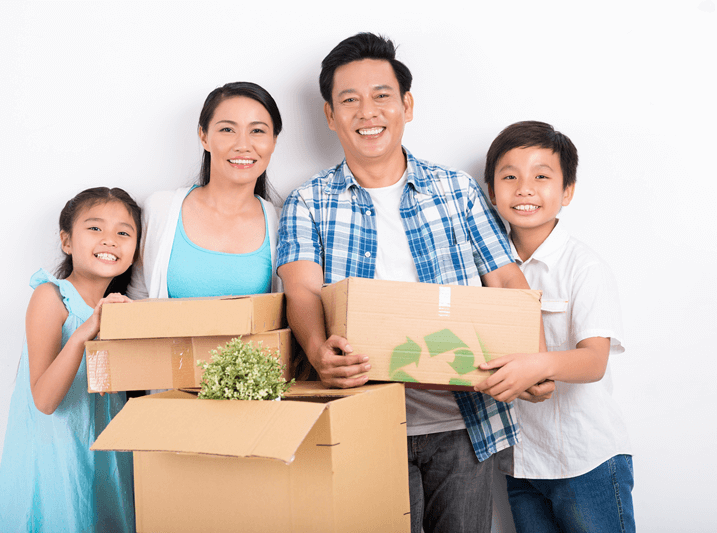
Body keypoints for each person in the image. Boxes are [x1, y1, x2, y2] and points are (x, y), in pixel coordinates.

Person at [276, 32, 552, 533]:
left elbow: (508, 279)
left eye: (381, 95)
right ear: (329, 115)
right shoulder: (308, 201)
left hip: (461, 422)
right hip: (360, 417)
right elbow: (301, 290)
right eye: (349, 100)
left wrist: (533, 359)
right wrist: (318, 353)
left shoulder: (457, 190)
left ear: (406, 104)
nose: (368, 111)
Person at [475, 121, 634, 532]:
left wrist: (537, 365)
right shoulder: (484, 270)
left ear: (567, 191)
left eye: (541, 177)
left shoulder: (585, 266)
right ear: (491, 191)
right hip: (521, 461)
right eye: (509, 176)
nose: (524, 189)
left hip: (587, 459)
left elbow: (594, 362)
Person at [0, 187, 140, 532]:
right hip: (57, 462)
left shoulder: (123, 311)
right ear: (67, 241)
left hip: (106, 459)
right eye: (95, 228)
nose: (110, 240)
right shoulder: (51, 297)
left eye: (124, 232)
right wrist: (88, 328)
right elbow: (44, 400)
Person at [128, 81, 283, 300]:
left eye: (257, 131)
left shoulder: (283, 222)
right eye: (227, 129)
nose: (243, 145)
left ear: (274, 141)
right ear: (204, 136)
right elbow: (136, 301)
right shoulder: (160, 209)